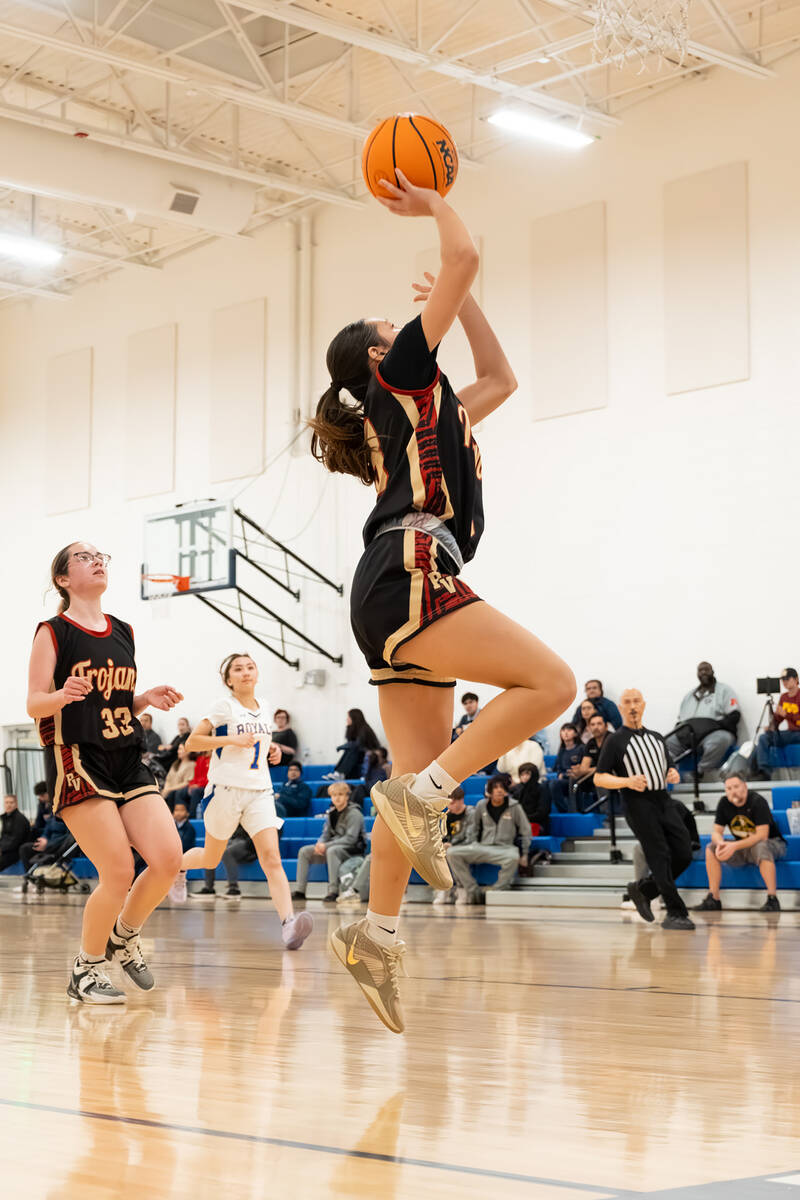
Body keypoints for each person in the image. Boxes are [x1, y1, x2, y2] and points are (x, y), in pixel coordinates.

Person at [309, 170, 575, 1032]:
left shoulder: (434, 405)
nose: (407, 324)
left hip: (393, 583)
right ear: (382, 357)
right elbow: (463, 252)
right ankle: (422, 799)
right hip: (412, 564)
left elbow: (501, 376)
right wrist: (430, 207)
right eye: (398, 326)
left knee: (406, 782)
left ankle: (376, 935)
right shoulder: (402, 378)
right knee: (551, 685)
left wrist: (457, 305)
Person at [26, 541, 184, 1004]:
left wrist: (143, 699)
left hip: (126, 753)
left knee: (168, 858)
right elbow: (34, 702)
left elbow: (110, 703)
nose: (97, 561)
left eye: (101, 556)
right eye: (83, 557)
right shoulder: (53, 631)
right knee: (117, 871)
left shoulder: (123, 630)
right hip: (78, 757)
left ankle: (123, 935)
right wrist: (61, 695)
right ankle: (86, 967)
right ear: (63, 578)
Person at [171, 653, 313, 951]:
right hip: (225, 790)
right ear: (228, 679)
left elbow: (258, 745)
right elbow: (192, 743)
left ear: (256, 674)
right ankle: (177, 867)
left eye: (250, 667)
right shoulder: (223, 707)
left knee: (271, 858)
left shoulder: (266, 708)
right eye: (238, 669)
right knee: (211, 858)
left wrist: (272, 750)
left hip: (260, 791)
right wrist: (230, 741)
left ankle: (288, 924)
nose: (246, 672)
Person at [595, 688, 694, 931]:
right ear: (620, 708)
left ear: (644, 705)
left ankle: (644, 889)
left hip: (663, 800)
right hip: (637, 804)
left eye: (636, 701)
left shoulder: (658, 738)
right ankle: (675, 912)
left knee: (684, 852)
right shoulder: (615, 740)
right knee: (659, 856)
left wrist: (673, 774)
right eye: (627, 702)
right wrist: (625, 781)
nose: (632, 706)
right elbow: (599, 778)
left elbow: (670, 768)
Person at [694, 773, 786, 912]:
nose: (733, 791)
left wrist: (733, 846)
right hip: (744, 846)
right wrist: (721, 844)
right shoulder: (724, 803)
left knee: (760, 847)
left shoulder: (757, 801)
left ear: (745, 786)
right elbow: (716, 832)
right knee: (711, 848)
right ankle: (714, 898)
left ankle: (772, 899)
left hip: (773, 843)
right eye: (729, 788)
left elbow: (762, 835)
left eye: (736, 786)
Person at [447, 775, 531, 903]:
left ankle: (496, 891)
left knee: (514, 857)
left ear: (506, 790)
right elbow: (473, 828)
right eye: (495, 787)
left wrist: (524, 854)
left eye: (502, 787)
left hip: (505, 848)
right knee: (452, 853)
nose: (499, 790)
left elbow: (526, 830)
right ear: (489, 791)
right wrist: (471, 843)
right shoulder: (481, 805)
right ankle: (472, 890)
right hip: (482, 846)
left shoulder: (515, 807)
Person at [292, 782, 365, 903]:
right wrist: (319, 844)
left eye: (340, 794)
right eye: (334, 795)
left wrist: (326, 845)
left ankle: (333, 891)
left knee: (331, 851)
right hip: (334, 846)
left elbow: (351, 839)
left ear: (347, 796)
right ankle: (300, 891)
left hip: (352, 850)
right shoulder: (331, 813)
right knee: (304, 851)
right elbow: (325, 834)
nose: (337, 797)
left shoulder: (355, 813)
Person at [665, 662, 740, 777]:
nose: (703, 672)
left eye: (706, 669)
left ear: (713, 672)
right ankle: (670, 773)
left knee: (720, 740)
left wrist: (712, 725)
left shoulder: (724, 690)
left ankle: (700, 771)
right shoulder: (689, 696)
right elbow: (680, 722)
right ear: (697, 674)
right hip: (688, 734)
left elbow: (734, 716)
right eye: (700, 670)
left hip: (713, 733)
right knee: (664, 743)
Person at [753, 668, 800, 780]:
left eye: (788, 679)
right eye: (783, 680)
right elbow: (779, 718)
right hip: (790, 733)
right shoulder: (784, 697)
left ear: (796, 679)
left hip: (798, 732)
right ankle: (764, 772)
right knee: (764, 738)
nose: (785, 682)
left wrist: (786, 714)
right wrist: (772, 726)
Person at [433, 786, 474, 904]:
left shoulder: (471, 813)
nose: (448, 806)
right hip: (450, 847)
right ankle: (444, 888)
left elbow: (470, 836)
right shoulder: (447, 816)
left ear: (461, 800)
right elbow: (442, 836)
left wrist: (451, 844)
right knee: (438, 852)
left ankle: (462, 889)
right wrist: (443, 844)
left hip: (468, 845)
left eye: (451, 802)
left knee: (451, 853)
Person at [573, 712, 610, 811]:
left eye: (599, 724)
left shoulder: (612, 739)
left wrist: (593, 770)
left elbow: (610, 766)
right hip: (596, 774)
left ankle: (606, 815)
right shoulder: (591, 743)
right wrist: (578, 771)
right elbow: (584, 768)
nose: (596, 727)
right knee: (573, 778)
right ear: (589, 727)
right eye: (593, 724)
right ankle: (577, 812)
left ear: (606, 726)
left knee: (600, 778)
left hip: (613, 774)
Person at [550, 723, 585, 813]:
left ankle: (574, 811)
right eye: (563, 730)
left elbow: (584, 766)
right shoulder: (561, 750)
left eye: (569, 730)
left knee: (565, 782)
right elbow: (557, 768)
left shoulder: (581, 748)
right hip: (564, 780)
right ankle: (564, 811)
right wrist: (560, 774)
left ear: (575, 734)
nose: (566, 733)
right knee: (549, 784)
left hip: (578, 779)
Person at [512, 763, 551, 837]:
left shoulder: (542, 789)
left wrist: (524, 818)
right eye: (522, 774)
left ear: (534, 775)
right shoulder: (517, 789)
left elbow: (542, 812)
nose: (524, 777)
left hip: (537, 823)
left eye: (527, 774)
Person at [0, 794, 31, 872]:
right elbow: (4, 836)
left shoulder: (20, 819)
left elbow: (15, 841)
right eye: (6, 803)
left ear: (16, 804)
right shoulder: (5, 817)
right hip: (6, 850)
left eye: (11, 802)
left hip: (15, 851)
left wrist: (1, 849)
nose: (9, 805)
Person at [163, 741, 195, 807]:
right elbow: (168, 779)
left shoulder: (191, 765)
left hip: (176, 792)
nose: (178, 751)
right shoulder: (175, 764)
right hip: (169, 791)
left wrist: (169, 789)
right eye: (178, 749)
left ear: (188, 751)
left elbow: (187, 783)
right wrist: (166, 789)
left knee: (172, 794)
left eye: (180, 749)